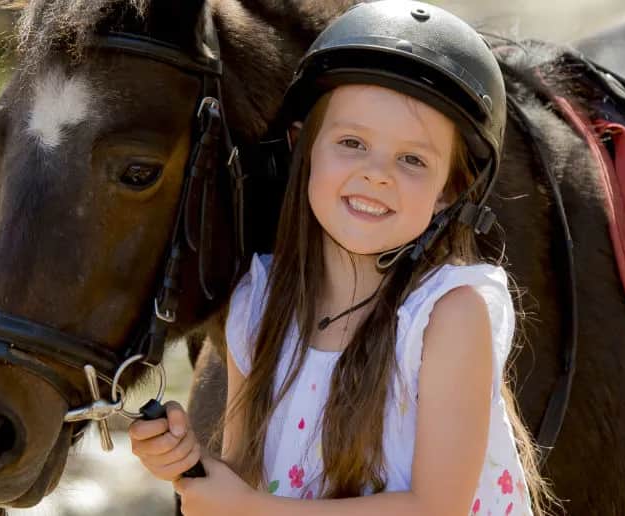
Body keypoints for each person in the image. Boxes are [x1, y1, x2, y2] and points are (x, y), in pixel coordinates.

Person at [128, 2, 549, 514]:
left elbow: (437, 508)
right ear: (302, 148)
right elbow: (247, 477)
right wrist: (185, 463)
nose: (377, 174)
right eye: (352, 142)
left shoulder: (447, 315)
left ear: (450, 190)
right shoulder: (260, 304)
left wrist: (246, 508)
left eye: (412, 159)